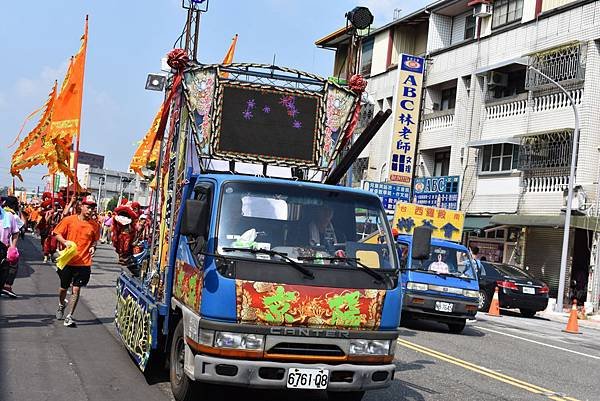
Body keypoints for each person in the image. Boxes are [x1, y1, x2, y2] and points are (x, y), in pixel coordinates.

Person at [53, 195, 100, 327]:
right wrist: (65, 242)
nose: (91, 210)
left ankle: (69, 316)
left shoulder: (94, 225)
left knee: (76, 289)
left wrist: (92, 247)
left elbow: (95, 240)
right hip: (68, 261)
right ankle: (61, 305)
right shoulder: (69, 220)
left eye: (93, 207)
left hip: (83, 262)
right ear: (81, 206)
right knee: (63, 288)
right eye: (89, 207)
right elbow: (56, 233)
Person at [2, 196, 25, 298]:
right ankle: (7, 286)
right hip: (6, 246)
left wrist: (12, 248)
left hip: (6, 247)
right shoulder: (13, 215)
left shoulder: (8, 215)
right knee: (12, 267)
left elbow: (16, 232)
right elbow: (22, 225)